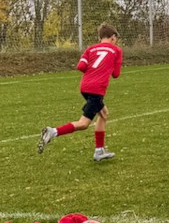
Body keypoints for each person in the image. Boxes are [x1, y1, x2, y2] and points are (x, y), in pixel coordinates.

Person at [38, 23, 122, 161]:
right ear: (113, 37)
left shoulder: (90, 49)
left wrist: (94, 70)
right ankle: (53, 132)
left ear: (100, 37)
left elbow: (81, 66)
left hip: (85, 87)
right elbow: (116, 74)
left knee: (104, 114)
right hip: (97, 89)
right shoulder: (116, 50)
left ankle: (99, 151)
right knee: (83, 124)